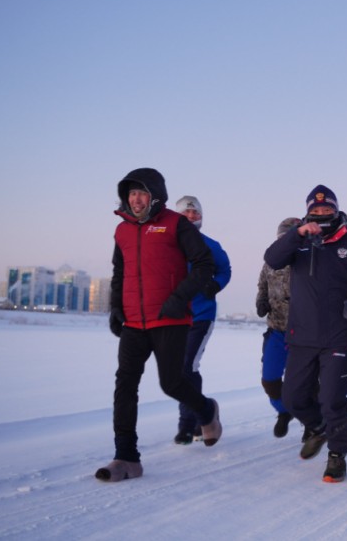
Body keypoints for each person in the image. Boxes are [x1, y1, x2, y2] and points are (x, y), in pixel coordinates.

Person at [98, 168, 222, 483]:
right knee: (125, 386)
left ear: (155, 195)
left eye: (142, 193)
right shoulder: (122, 231)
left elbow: (204, 264)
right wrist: (115, 308)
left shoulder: (176, 224)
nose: (136, 199)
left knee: (172, 383)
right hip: (133, 323)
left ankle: (207, 411)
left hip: (170, 319)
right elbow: (119, 272)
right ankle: (126, 456)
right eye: (131, 193)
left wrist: (179, 299)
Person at [264, 186, 347, 483]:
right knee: (293, 397)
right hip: (301, 336)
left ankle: (338, 453)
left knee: (331, 398)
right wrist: (297, 234)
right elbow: (272, 259)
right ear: (307, 214)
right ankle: (318, 427)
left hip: (339, 335)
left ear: (336, 211)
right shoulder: (299, 242)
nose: (322, 214)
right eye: (316, 211)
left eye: (327, 210)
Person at [172, 195, 232, 445]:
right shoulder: (166, 244)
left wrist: (215, 285)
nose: (191, 216)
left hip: (201, 315)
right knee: (179, 371)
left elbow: (225, 270)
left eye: (195, 213)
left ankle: (188, 424)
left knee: (187, 367)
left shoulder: (210, 245)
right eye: (186, 212)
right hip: (173, 316)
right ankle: (205, 412)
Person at [255, 217, 301, 438]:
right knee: (270, 379)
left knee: (302, 382)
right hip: (276, 329)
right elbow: (262, 286)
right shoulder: (270, 262)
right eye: (282, 238)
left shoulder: (307, 261)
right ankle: (283, 411)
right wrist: (261, 301)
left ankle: (312, 423)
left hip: (303, 333)